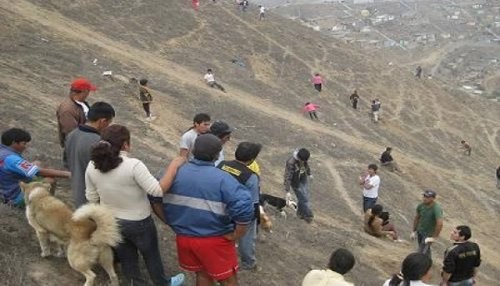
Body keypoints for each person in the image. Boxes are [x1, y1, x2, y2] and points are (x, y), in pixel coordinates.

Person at [85, 124, 185, 286]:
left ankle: (135, 283)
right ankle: (162, 283)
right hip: (139, 222)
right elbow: (157, 191)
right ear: (125, 144)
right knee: (151, 255)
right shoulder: (133, 165)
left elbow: (91, 197)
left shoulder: (92, 165)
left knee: (127, 258)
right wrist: (174, 166)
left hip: (112, 221)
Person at [152, 134, 254, 286]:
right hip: (213, 240)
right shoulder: (224, 180)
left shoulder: (173, 174)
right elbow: (245, 208)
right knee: (228, 279)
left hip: (184, 237)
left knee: (202, 273)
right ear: (217, 155)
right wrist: (236, 234)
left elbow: (154, 196)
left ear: (193, 150)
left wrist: (168, 221)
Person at [218, 142, 262, 271]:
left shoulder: (222, 165)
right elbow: (253, 201)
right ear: (252, 159)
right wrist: (255, 218)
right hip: (239, 211)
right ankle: (248, 262)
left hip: (220, 206)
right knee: (247, 237)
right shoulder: (251, 176)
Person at [0, 128, 71, 208]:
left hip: (5, 189)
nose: (25, 147)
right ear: (14, 143)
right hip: (14, 197)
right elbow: (39, 172)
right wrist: (68, 174)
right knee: (50, 181)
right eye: (24, 144)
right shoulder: (11, 159)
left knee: (37, 163)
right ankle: (44, 206)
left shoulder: (3, 151)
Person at [65, 102, 115, 208]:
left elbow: (66, 162)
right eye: (108, 122)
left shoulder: (72, 134)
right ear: (102, 121)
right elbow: (106, 173)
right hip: (94, 199)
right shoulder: (99, 143)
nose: (108, 126)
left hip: (77, 193)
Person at [56, 78, 95, 148]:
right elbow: (72, 132)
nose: (89, 94)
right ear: (84, 92)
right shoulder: (67, 110)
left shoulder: (81, 102)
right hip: (75, 146)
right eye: (88, 91)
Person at [411, 189, 443, 258]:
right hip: (420, 231)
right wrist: (414, 231)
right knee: (424, 248)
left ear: (433, 198)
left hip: (428, 233)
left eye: (427, 197)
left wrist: (433, 237)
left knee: (421, 251)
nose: (425, 198)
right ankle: (428, 261)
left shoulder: (436, 208)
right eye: (424, 196)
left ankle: (421, 264)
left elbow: (439, 223)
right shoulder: (421, 206)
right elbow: (417, 218)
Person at [284, 148, 314, 223]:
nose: (304, 162)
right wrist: (287, 191)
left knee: (304, 197)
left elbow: (306, 165)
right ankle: (308, 215)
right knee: (305, 199)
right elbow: (288, 176)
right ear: (299, 158)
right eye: (302, 161)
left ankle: (300, 214)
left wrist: (309, 174)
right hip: (295, 183)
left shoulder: (304, 159)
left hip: (303, 179)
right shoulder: (291, 162)